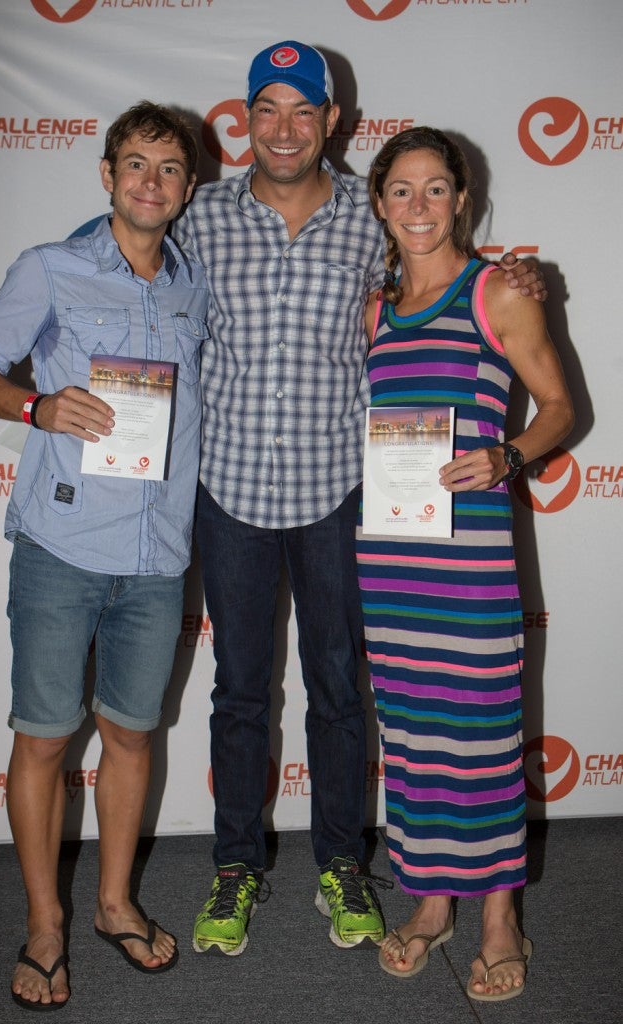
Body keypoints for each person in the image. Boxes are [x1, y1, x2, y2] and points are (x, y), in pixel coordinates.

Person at [171, 40, 548, 958]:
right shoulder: (200, 216)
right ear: (245, 118)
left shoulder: (367, 222)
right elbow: (122, 250)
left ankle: (344, 864)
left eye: (306, 110)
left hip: (344, 493)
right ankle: (235, 867)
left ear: (332, 121)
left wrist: (520, 280)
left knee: (345, 691)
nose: (287, 128)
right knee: (239, 693)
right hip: (231, 492)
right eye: (269, 109)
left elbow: (451, 273)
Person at [0, 101, 209, 1009]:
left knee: (134, 731)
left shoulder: (195, 286)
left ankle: (111, 903)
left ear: (187, 186)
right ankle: (43, 925)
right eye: (135, 165)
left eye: (169, 169)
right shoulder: (50, 267)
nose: (150, 183)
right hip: (61, 545)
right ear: (106, 174)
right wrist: (35, 405)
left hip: (158, 554)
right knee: (46, 737)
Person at [357, 126, 574, 999]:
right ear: (379, 203)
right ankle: (432, 897)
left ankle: (499, 913)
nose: (419, 205)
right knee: (412, 733)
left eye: (436, 188)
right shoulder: (372, 309)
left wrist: (509, 455)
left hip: (471, 555)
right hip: (390, 556)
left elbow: (559, 406)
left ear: (462, 200)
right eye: (401, 189)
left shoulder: (498, 293)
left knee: (480, 733)